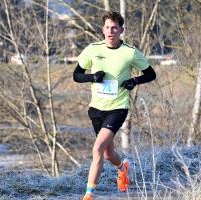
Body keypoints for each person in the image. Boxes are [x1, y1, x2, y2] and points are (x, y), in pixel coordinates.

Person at [73, 11, 156, 200]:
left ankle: (88, 195)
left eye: (114, 28)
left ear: (121, 30)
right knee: (109, 154)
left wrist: (134, 81)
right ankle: (122, 168)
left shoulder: (130, 52)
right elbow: (76, 75)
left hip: (118, 108)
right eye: (108, 28)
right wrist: (91, 77)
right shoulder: (93, 49)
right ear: (103, 29)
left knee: (97, 149)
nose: (111, 31)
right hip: (96, 108)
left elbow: (151, 74)